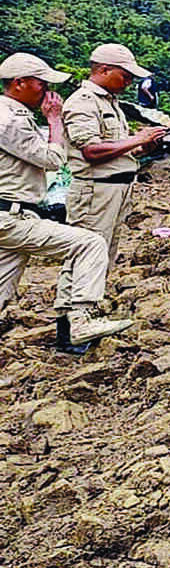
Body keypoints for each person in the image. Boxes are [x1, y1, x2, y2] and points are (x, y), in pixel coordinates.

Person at [0, 53, 125, 350]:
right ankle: (80, 319)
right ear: (19, 84)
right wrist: (54, 121)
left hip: (17, 214)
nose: (47, 92)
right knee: (90, 243)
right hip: (10, 216)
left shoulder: (13, 114)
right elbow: (52, 160)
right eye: (41, 84)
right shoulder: (9, 120)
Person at [61, 44, 169, 309]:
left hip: (116, 189)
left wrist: (145, 145)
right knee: (84, 254)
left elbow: (116, 148)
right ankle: (71, 320)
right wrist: (137, 139)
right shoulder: (83, 102)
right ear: (104, 69)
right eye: (125, 75)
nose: (129, 81)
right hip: (96, 192)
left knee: (104, 254)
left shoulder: (111, 103)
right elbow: (91, 150)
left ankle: (88, 310)